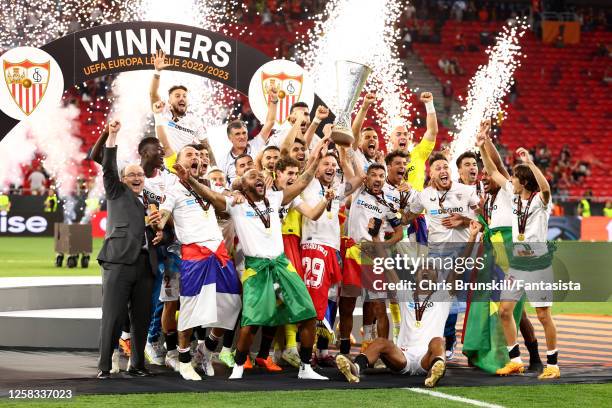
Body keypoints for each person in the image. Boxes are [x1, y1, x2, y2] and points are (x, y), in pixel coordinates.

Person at [223, 136, 332, 380]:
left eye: (260, 176)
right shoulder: (239, 201)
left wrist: (317, 158)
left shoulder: (278, 198)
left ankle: (304, 367)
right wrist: (227, 189)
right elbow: (218, 192)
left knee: (307, 313)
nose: (260, 178)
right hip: (254, 262)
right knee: (252, 320)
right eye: (253, 176)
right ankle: (238, 365)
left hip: (281, 259)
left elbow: (304, 187)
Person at [335, 225, 480, 388]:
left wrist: (472, 238)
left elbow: (459, 266)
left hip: (427, 357)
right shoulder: (405, 293)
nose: (425, 271)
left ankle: (436, 370)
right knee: (381, 341)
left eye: (431, 269)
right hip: (402, 356)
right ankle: (355, 367)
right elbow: (387, 266)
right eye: (421, 269)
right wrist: (376, 239)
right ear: (415, 276)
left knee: (438, 341)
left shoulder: (443, 295)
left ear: (437, 277)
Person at [151, 145, 243, 381]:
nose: (196, 158)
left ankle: (205, 350)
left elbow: (227, 202)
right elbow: (162, 216)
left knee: (232, 304)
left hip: (219, 252)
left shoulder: (209, 186)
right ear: (178, 163)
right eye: (189, 155)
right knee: (190, 310)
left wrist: (236, 194)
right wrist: (157, 222)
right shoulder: (172, 190)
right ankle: (183, 361)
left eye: (198, 155)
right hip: (193, 253)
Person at [477, 133, 560, 380]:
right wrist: (482, 146)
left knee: (544, 315)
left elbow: (545, 186)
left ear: (523, 180)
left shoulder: (541, 201)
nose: (510, 180)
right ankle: (515, 361)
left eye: (514, 177)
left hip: (538, 263)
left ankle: (553, 364)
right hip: (518, 264)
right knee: (505, 311)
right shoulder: (514, 198)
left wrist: (530, 163)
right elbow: (493, 171)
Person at [464, 120, 543, 373]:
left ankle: (526, 354)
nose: (485, 178)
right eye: (483, 176)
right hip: (492, 252)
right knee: (497, 305)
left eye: (488, 176)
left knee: (510, 308)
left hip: (511, 251)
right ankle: (484, 351)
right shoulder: (487, 198)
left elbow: (495, 165)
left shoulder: (511, 191)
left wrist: (485, 141)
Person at [96, 120, 164, 379]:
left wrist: (158, 231)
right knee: (112, 317)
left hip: (145, 265)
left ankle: (136, 364)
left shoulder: (149, 202)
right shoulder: (116, 192)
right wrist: (112, 135)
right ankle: (104, 367)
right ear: (123, 180)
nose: (137, 178)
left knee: (142, 318)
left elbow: (154, 229)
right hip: (118, 262)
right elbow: (109, 167)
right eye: (132, 175)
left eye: (140, 175)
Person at [340, 163, 404, 357]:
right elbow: (348, 163)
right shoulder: (358, 189)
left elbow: (399, 233)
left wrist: (383, 245)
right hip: (352, 253)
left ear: (385, 180)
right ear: (366, 178)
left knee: (377, 304)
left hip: (372, 256)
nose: (377, 179)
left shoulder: (389, 205)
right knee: (347, 303)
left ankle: (377, 349)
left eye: (381, 176)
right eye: (373, 175)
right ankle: (344, 349)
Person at [149, 50, 205, 152]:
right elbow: (153, 94)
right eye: (177, 96)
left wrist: (214, 166)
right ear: (169, 100)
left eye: (184, 96)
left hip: (184, 165)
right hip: (165, 163)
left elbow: (207, 146)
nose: (182, 98)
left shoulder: (195, 121)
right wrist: (157, 71)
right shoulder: (162, 110)